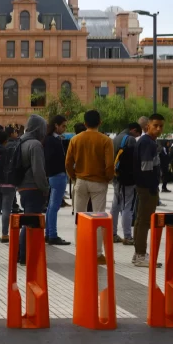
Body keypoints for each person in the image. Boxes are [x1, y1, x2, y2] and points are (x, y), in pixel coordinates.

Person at [65, 110, 114, 264]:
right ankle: (98, 254)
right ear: (100, 122)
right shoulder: (106, 140)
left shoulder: (75, 139)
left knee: (79, 217)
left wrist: (73, 175)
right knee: (98, 217)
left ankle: (81, 251)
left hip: (80, 180)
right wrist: (108, 177)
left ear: (85, 123)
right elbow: (110, 164)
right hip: (99, 182)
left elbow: (67, 162)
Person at [16, 115, 50, 265]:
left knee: (28, 219)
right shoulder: (35, 144)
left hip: (23, 186)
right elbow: (39, 170)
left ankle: (22, 253)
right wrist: (45, 188)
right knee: (30, 222)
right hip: (33, 187)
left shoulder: (21, 141)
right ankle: (25, 255)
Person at [133, 114, 165, 267]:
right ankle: (140, 255)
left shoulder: (147, 141)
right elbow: (146, 168)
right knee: (144, 221)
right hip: (147, 188)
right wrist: (153, 187)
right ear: (148, 127)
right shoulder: (148, 143)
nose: (158, 129)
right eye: (155, 126)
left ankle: (138, 253)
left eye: (161, 126)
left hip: (143, 187)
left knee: (141, 220)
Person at [111, 123, 141, 245]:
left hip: (116, 177)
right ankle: (127, 236)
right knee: (127, 207)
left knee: (115, 205)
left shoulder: (116, 138)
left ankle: (112, 233)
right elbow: (134, 160)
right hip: (127, 179)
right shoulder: (130, 139)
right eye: (137, 134)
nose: (137, 136)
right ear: (133, 130)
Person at [44, 115, 70, 245]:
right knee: (54, 207)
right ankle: (52, 234)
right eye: (63, 126)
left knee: (50, 207)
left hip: (51, 175)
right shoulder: (53, 141)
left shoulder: (48, 139)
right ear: (56, 125)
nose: (64, 129)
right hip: (58, 175)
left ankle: (49, 233)